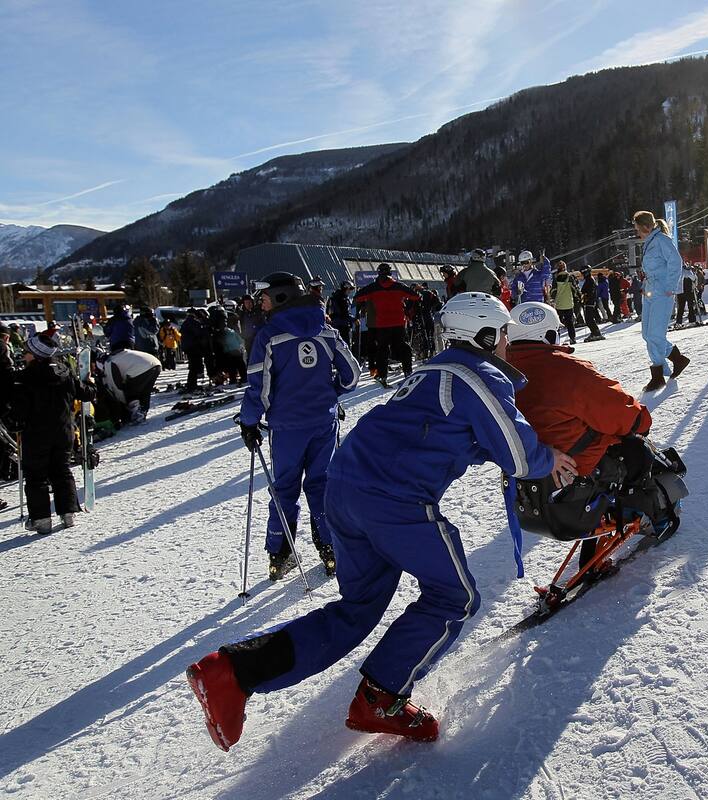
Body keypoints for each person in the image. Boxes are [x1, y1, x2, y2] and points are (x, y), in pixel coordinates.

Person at [185, 292, 577, 750]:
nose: (508, 344)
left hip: (345, 488)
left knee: (358, 608)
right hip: (394, 499)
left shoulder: (431, 372)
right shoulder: (479, 375)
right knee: (455, 595)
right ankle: (381, 696)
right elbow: (517, 451)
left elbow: (443, 432)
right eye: (505, 335)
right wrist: (548, 458)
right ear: (486, 336)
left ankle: (234, 670)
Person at [504, 301, 663, 567]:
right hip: (572, 486)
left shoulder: (499, 372)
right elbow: (621, 411)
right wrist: (640, 422)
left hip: (526, 489)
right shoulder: (567, 369)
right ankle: (647, 513)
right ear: (550, 334)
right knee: (637, 452)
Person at [238, 271, 360, 580]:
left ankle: (281, 555)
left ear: (281, 297)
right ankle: (330, 550)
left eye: (264, 298)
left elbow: (259, 388)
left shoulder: (268, 335)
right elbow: (352, 375)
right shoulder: (325, 329)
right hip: (323, 422)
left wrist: (250, 421)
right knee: (322, 485)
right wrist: (333, 392)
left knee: (285, 488)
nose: (260, 304)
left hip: (288, 428)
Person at [9, 333, 95, 533]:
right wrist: (90, 382)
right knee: (61, 471)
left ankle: (41, 519)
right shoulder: (64, 372)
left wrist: (15, 423)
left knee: (36, 475)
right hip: (64, 432)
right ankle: (68, 513)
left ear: (37, 354)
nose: (24, 355)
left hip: (36, 434)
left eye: (27, 352)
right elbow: (86, 393)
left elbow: (18, 409)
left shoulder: (24, 378)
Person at [633, 210, 688, 391]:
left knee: (655, 334)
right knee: (647, 334)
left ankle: (659, 375)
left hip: (663, 292)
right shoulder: (650, 242)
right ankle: (676, 360)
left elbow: (675, 262)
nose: (637, 233)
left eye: (638, 229)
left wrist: (670, 287)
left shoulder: (662, 241)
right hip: (650, 291)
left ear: (647, 227)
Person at [354, 263, 419, 387]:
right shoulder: (398, 286)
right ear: (390, 273)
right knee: (403, 347)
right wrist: (406, 308)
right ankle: (408, 372)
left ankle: (383, 376)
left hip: (382, 324)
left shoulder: (373, 287)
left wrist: (370, 302)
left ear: (378, 273)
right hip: (399, 323)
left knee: (382, 350)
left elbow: (357, 298)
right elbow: (415, 296)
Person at [99, 347, 162, 424]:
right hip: (155, 364)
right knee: (145, 391)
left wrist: (123, 401)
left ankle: (137, 414)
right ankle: (142, 411)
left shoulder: (108, 363)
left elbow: (116, 387)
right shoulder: (117, 355)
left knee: (131, 392)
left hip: (142, 368)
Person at [179, 308, 212, 392]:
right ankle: (191, 385)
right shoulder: (193, 322)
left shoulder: (185, 322)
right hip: (193, 347)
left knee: (193, 366)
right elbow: (199, 332)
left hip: (188, 346)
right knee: (194, 367)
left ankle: (192, 384)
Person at [550, 263, 579, 344]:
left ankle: (557, 340)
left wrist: (552, 298)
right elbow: (575, 289)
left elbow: (553, 291)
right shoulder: (570, 277)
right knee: (570, 322)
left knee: (557, 323)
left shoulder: (556, 278)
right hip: (569, 303)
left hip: (559, 304)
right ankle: (572, 338)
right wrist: (577, 297)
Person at [579, 268, 606, 342]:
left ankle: (596, 333)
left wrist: (586, 297)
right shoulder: (589, 279)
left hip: (589, 302)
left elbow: (590, 291)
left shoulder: (590, 280)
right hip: (589, 301)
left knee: (589, 318)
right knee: (589, 318)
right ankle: (595, 332)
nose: (582, 275)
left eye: (583, 273)